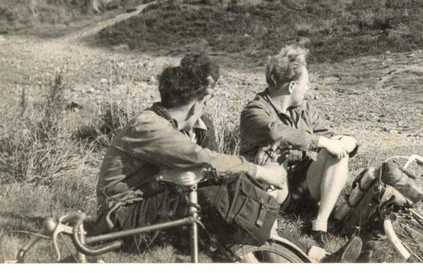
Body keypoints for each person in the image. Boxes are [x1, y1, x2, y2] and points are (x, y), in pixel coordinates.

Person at [93, 55, 292, 256]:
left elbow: (208, 164)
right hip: (118, 219)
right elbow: (203, 158)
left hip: (137, 208)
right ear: (195, 105)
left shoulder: (162, 122)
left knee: (220, 202)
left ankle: (268, 251)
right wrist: (259, 171)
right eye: (203, 103)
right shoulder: (150, 127)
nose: (203, 111)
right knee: (212, 199)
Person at [240, 46, 359, 247]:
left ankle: (320, 225)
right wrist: (320, 142)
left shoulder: (303, 109)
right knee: (270, 156)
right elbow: (276, 131)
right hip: (275, 188)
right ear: (292, 85)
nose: (308, 88)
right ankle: (270, 226)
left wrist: (349, 141)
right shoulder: (254, 110)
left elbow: (328, 136)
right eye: (306, 83)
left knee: (338, 152)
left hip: (304, 186)